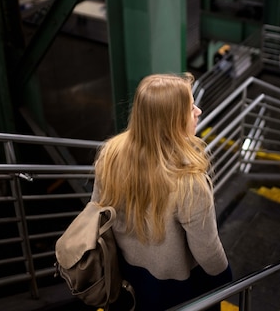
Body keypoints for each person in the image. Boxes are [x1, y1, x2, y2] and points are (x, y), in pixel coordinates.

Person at [91, 73, 232, 310]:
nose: (198, 111)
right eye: (190, 107)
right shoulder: (189, 181)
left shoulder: (110, 154)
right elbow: (206, 250)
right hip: (176, 287)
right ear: (172, 120)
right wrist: (226, 279)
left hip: (124, 273)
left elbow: (97, 210)